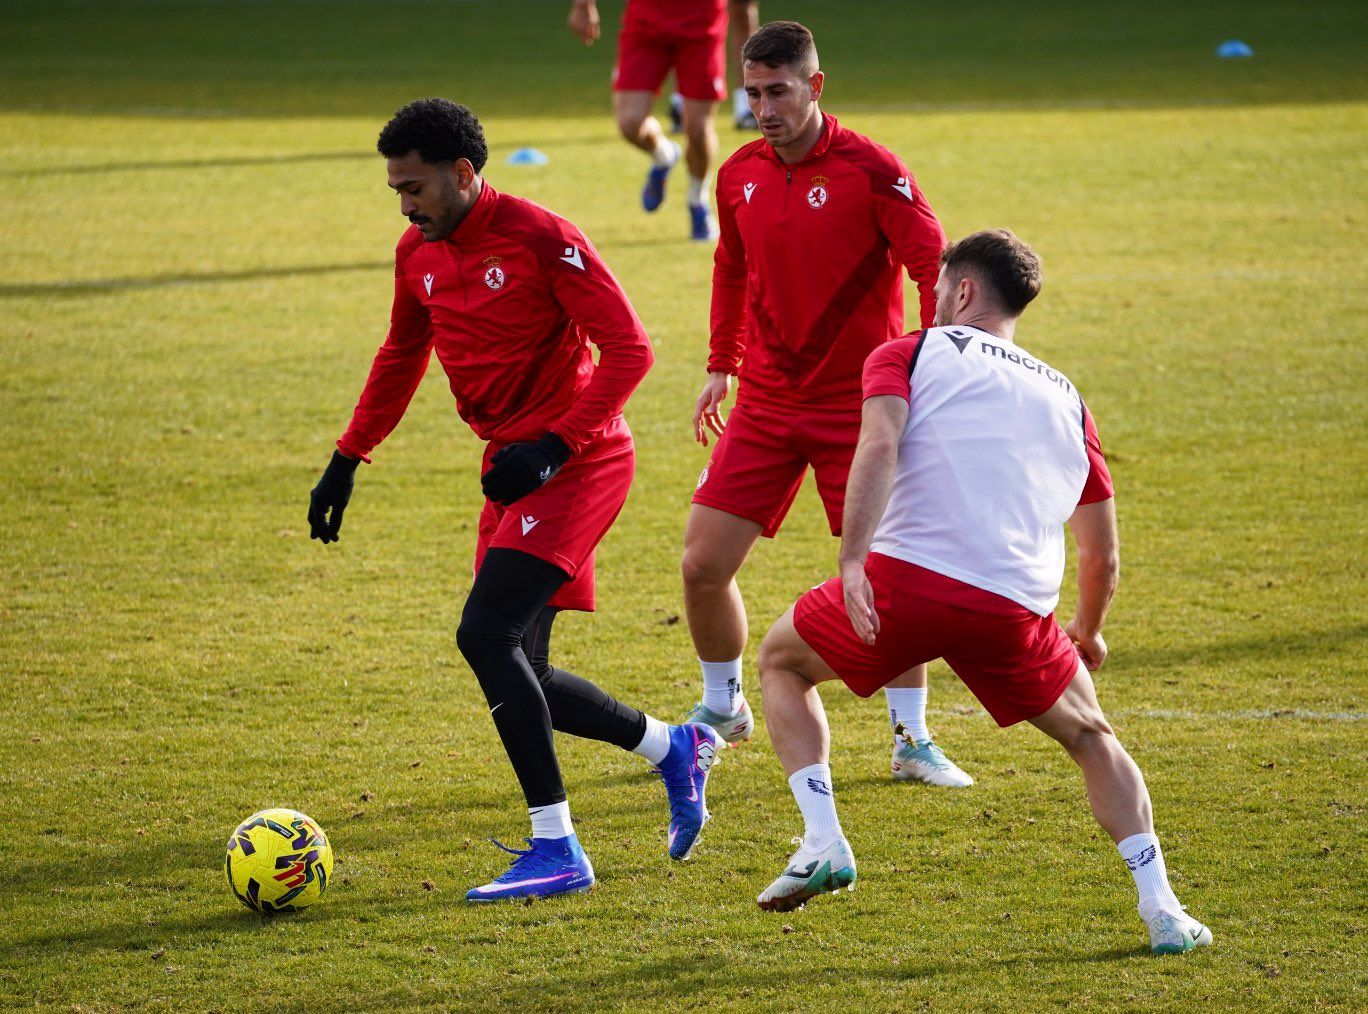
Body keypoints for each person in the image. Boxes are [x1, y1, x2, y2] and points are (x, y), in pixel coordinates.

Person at [751, 229, 1213, 955]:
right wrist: (1086, 630)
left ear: (961, 291)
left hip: (908, 583)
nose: (931, 301)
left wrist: (851, 561)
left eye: (937, 288)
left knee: (781, 662)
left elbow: (877, 446)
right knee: (1093, 739)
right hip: (1015, 606)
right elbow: (1103, 554)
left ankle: (823, 839)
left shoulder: (908, 351)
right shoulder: (1067, 396)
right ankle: (1164, 910)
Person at [307, 98, 723, 903]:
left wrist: (553, 447)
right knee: (522, 666)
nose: (403, 203)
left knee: (485, 635)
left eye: (415, 186)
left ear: (464, 175)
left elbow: (630, 349)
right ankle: (676, 748)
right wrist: (347, 458)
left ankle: (557, 849)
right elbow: (401, 353)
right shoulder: (416, 255)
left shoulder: (541, 237)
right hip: (513, 469)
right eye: (394, 188)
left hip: (579, 460)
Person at [682, 20, 971, 788]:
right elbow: (730, 272)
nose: (764, 108)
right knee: (702, 564)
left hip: (860, 413)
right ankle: (723, 709)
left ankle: (912, 739)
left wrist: (925, 368)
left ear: (815, 86)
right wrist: (721, 364)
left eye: (777, 92)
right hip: (768, 406)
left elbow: (930, 268)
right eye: (751, 94)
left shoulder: (871, 169)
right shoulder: (739, 172)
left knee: (885, 574)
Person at [567, 0, 727, 240]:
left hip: (702, 23)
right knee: (630, 123)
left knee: (697, 129)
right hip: (646, 22)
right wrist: (583, 5)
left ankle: (698, 201)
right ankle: (664, 156)